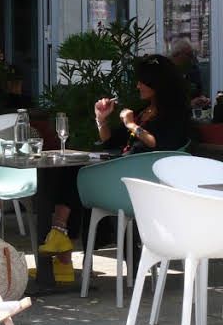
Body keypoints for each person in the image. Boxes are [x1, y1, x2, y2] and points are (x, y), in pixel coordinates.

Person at [40, 53, 190, 282]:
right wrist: (102, 119)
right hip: (123, 178)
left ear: (157, 84)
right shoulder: (145, 111)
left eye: (142, 81)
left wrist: (131, 124)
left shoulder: (175, 115)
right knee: (72, 168)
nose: (138, 85)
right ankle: (59, 235)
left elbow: (159, 143)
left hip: (143, 184)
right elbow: (112, 140)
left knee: (76, 173)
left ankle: (61, 245)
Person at [170, 37, 204, 102]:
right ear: (177, 54)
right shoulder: (166, 72)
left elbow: (198, 91)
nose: (191, 59)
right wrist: (190, 104)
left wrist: (201, 99)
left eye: (192, 55)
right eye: (189, 55)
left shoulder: (193, 69)